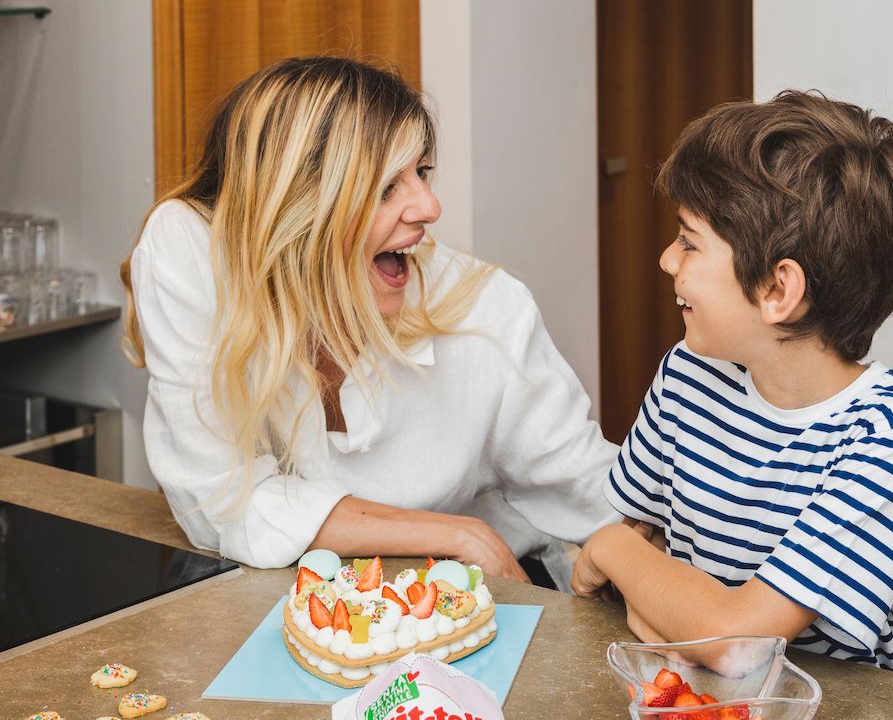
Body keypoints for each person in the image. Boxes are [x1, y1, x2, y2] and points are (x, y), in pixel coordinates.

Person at [121, 55, 617, 584]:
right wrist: (457, 534)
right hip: (310, 601)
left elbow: (588, 484)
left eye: (421, 172)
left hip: (478, 592)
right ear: (298, 208)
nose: (429, 207)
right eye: (385, 187)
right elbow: (218, 501)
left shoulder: (487, 306)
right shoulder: (193, 252)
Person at [572, 90, 893, 671]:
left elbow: (735, 643)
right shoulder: (688, 374)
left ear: (777, 290)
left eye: (689, 242)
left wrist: (609, 548)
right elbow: (638, 551)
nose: (667, 260)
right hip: (685, 701)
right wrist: (653, 589)